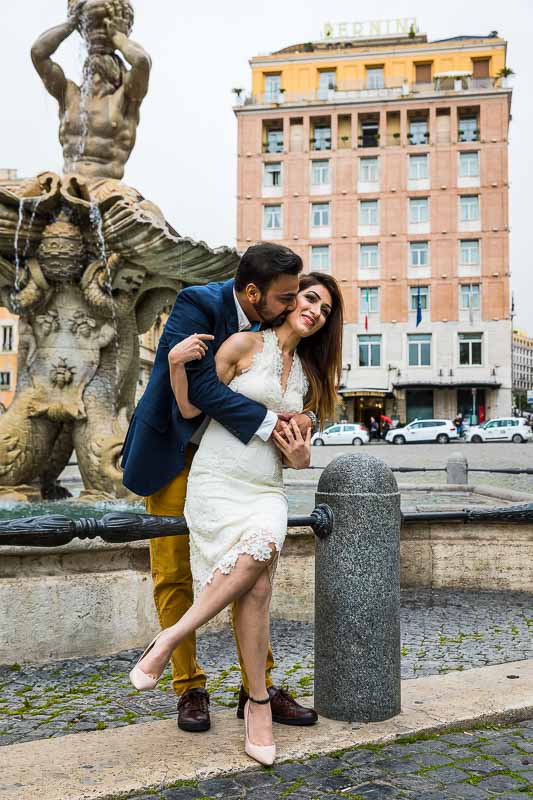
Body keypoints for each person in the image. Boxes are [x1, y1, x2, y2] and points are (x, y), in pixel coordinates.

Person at [129, 271, 344, 765]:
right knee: (207, 577)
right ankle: (217, 693)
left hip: (262, 483)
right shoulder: (227, 325)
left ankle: (202, 660)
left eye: (322, 308)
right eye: (302, 297)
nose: (309, 308)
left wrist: (301, 447)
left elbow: (303, 439)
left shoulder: (309, 370)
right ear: (275, 298)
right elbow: (191, 402)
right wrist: (178, 365)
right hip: (199, 466)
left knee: (259, 560)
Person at [31, 0, 150, 179]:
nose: (97, 61)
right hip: (68, 185)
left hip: (107, 187)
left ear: (118, 69)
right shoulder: (68, 94)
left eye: (106, 59)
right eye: (93, 59)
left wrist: (118, 37)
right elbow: (38, 53)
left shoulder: (126, 97)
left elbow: (141, 62)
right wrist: (71, 23)